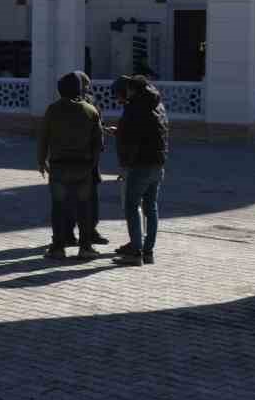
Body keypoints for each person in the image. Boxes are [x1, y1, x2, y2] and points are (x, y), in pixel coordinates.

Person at [35, 72, 104, 261]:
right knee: (84, 208)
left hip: (58, 166)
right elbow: (98, 142)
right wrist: (93, 163)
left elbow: (44, 137)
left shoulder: (53, 110)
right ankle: (85, 247)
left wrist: (41, 161)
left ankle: (58, 247)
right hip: (83, 167)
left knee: (59, 207)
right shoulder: (90, 110)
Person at [113, 76, 170, 266]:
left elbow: (131, 140)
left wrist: (124, 165)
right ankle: (148, 252)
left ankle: (135, 253)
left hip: (140, 165)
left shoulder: (135, 108)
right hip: (158, 163)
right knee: (151, 207)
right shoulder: (158, 106)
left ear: (133, 89)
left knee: (131, 206)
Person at [75, 71, 110, 246]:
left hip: (81, 157)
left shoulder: (89, 102)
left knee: (82, 196)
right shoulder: (82, 104)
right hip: (84, 157)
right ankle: (83, 235)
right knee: (83, 197)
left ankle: (84, 231)